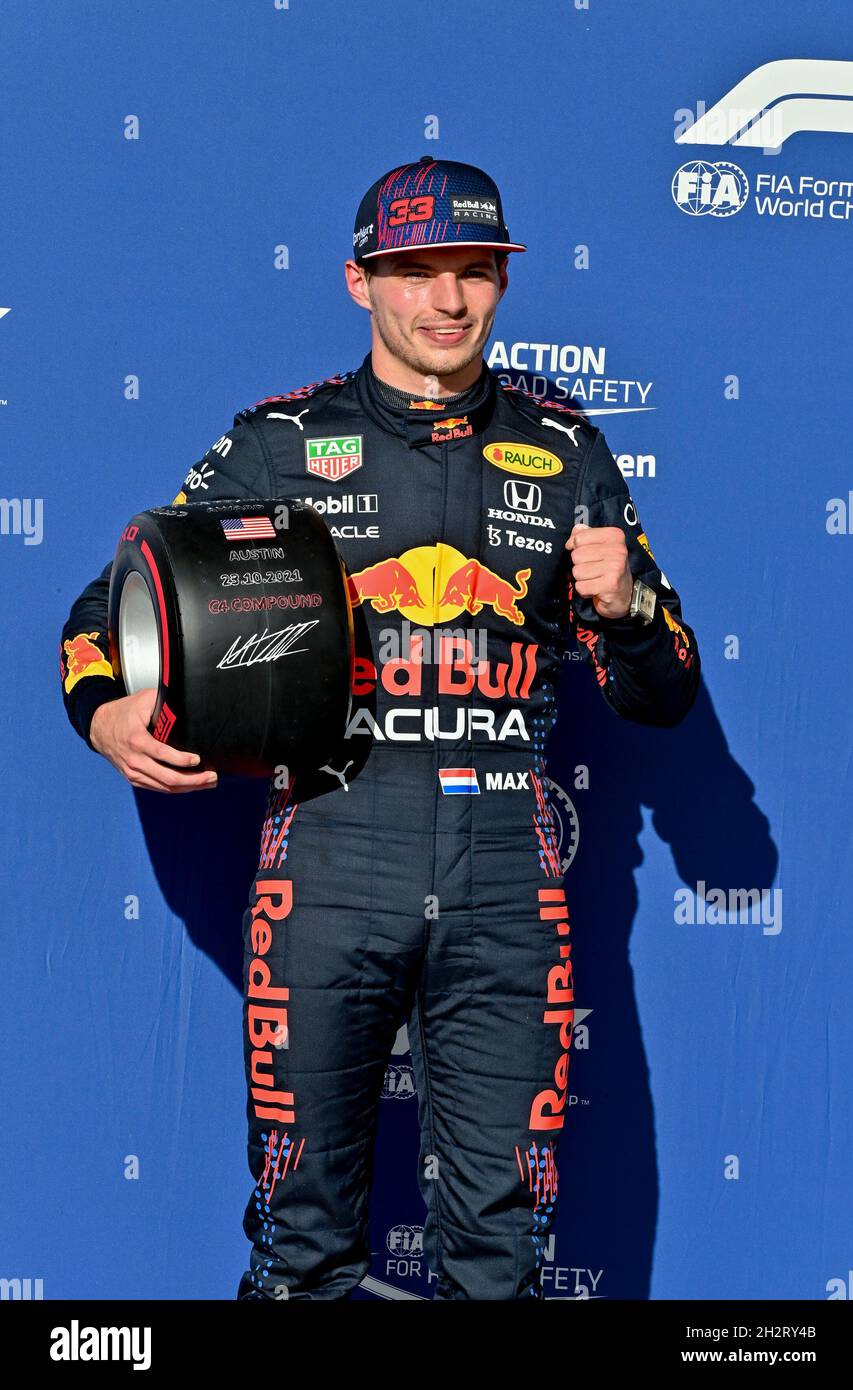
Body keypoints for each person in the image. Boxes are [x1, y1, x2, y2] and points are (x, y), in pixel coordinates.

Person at [60, 155, 700, 1300]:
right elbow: (108, 607)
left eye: (472, 272)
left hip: (511, 879)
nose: (445, 301)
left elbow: (659, 694)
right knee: (300, 1241)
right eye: (414, 272)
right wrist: (104, 709)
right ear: (361, 282)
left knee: (499, 1251)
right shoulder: (279, 442)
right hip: (328, 861)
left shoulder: (565, 453)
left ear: (502, 285)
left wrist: (633, 606)